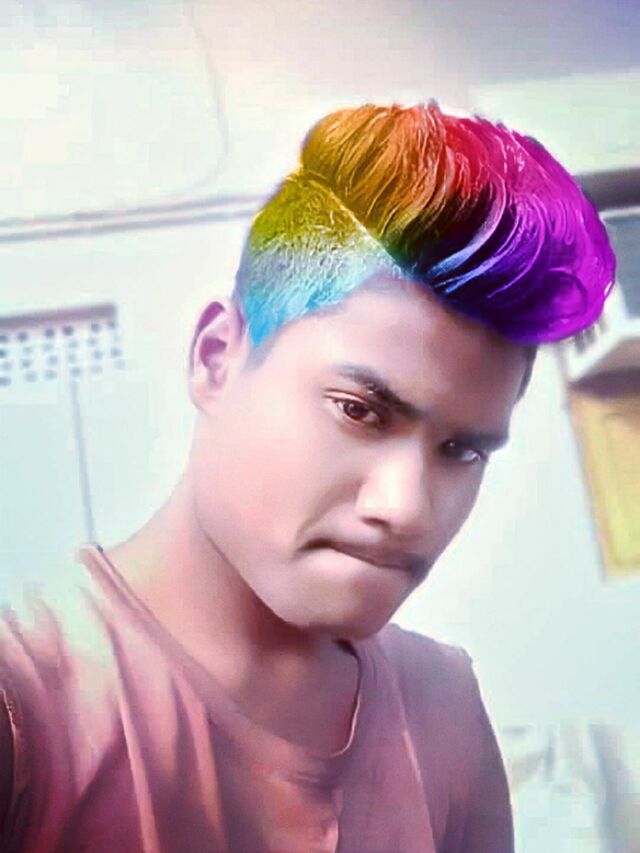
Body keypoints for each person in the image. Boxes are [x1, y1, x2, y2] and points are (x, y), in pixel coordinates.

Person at [0, 102, 614, 852]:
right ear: (217, 358)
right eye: (359, 410)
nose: (407, 508)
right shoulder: (23, 694)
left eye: (461, 450)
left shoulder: (446, 706)